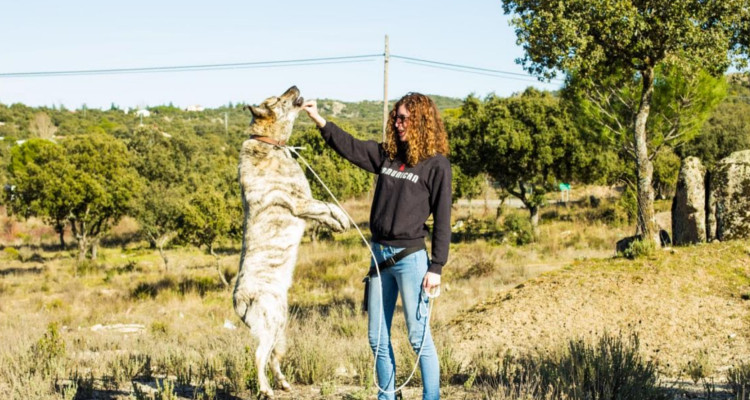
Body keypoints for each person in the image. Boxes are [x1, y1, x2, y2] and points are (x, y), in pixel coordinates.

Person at [302, 92, 451, 400]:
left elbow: (444, 220)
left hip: (412, 260)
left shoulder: (436, 166)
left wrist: (436, 267)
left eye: (404, 119)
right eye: (395, 118)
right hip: (379, 257)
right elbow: (352, 147)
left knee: (418, 337)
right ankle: (387, 396)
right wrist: (319, 120)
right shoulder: (387, 156)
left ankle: (431, 397)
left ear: (422, 122)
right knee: (376, 338)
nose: (397, 124)